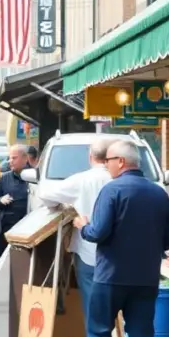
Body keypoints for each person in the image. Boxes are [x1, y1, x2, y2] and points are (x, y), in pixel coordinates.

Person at [68, 140, 169, 337]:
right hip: (145, 277)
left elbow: (99, 232)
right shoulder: (158, 193)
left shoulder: (112, 190)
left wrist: (83, 226)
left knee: (99, 336)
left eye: (108, 161)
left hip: (110, 277)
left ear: (120, 161)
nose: (106, 165)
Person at [38, 138, 114, 326]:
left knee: (93, 315)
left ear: (90, 157)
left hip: (88, 253)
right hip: (119, 256)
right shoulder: (119, 179)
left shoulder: (81, 180)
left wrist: (61, 205)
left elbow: (45, 195)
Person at [0, 145, 31, 296]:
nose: (10, 161)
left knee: (25, 264)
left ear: (25, 158)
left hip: (25, 228)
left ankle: (27, 293)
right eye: (10, 157)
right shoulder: (5, 178)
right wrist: (0, 200)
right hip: (3, 226)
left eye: (14, 158)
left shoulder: (35, 177)